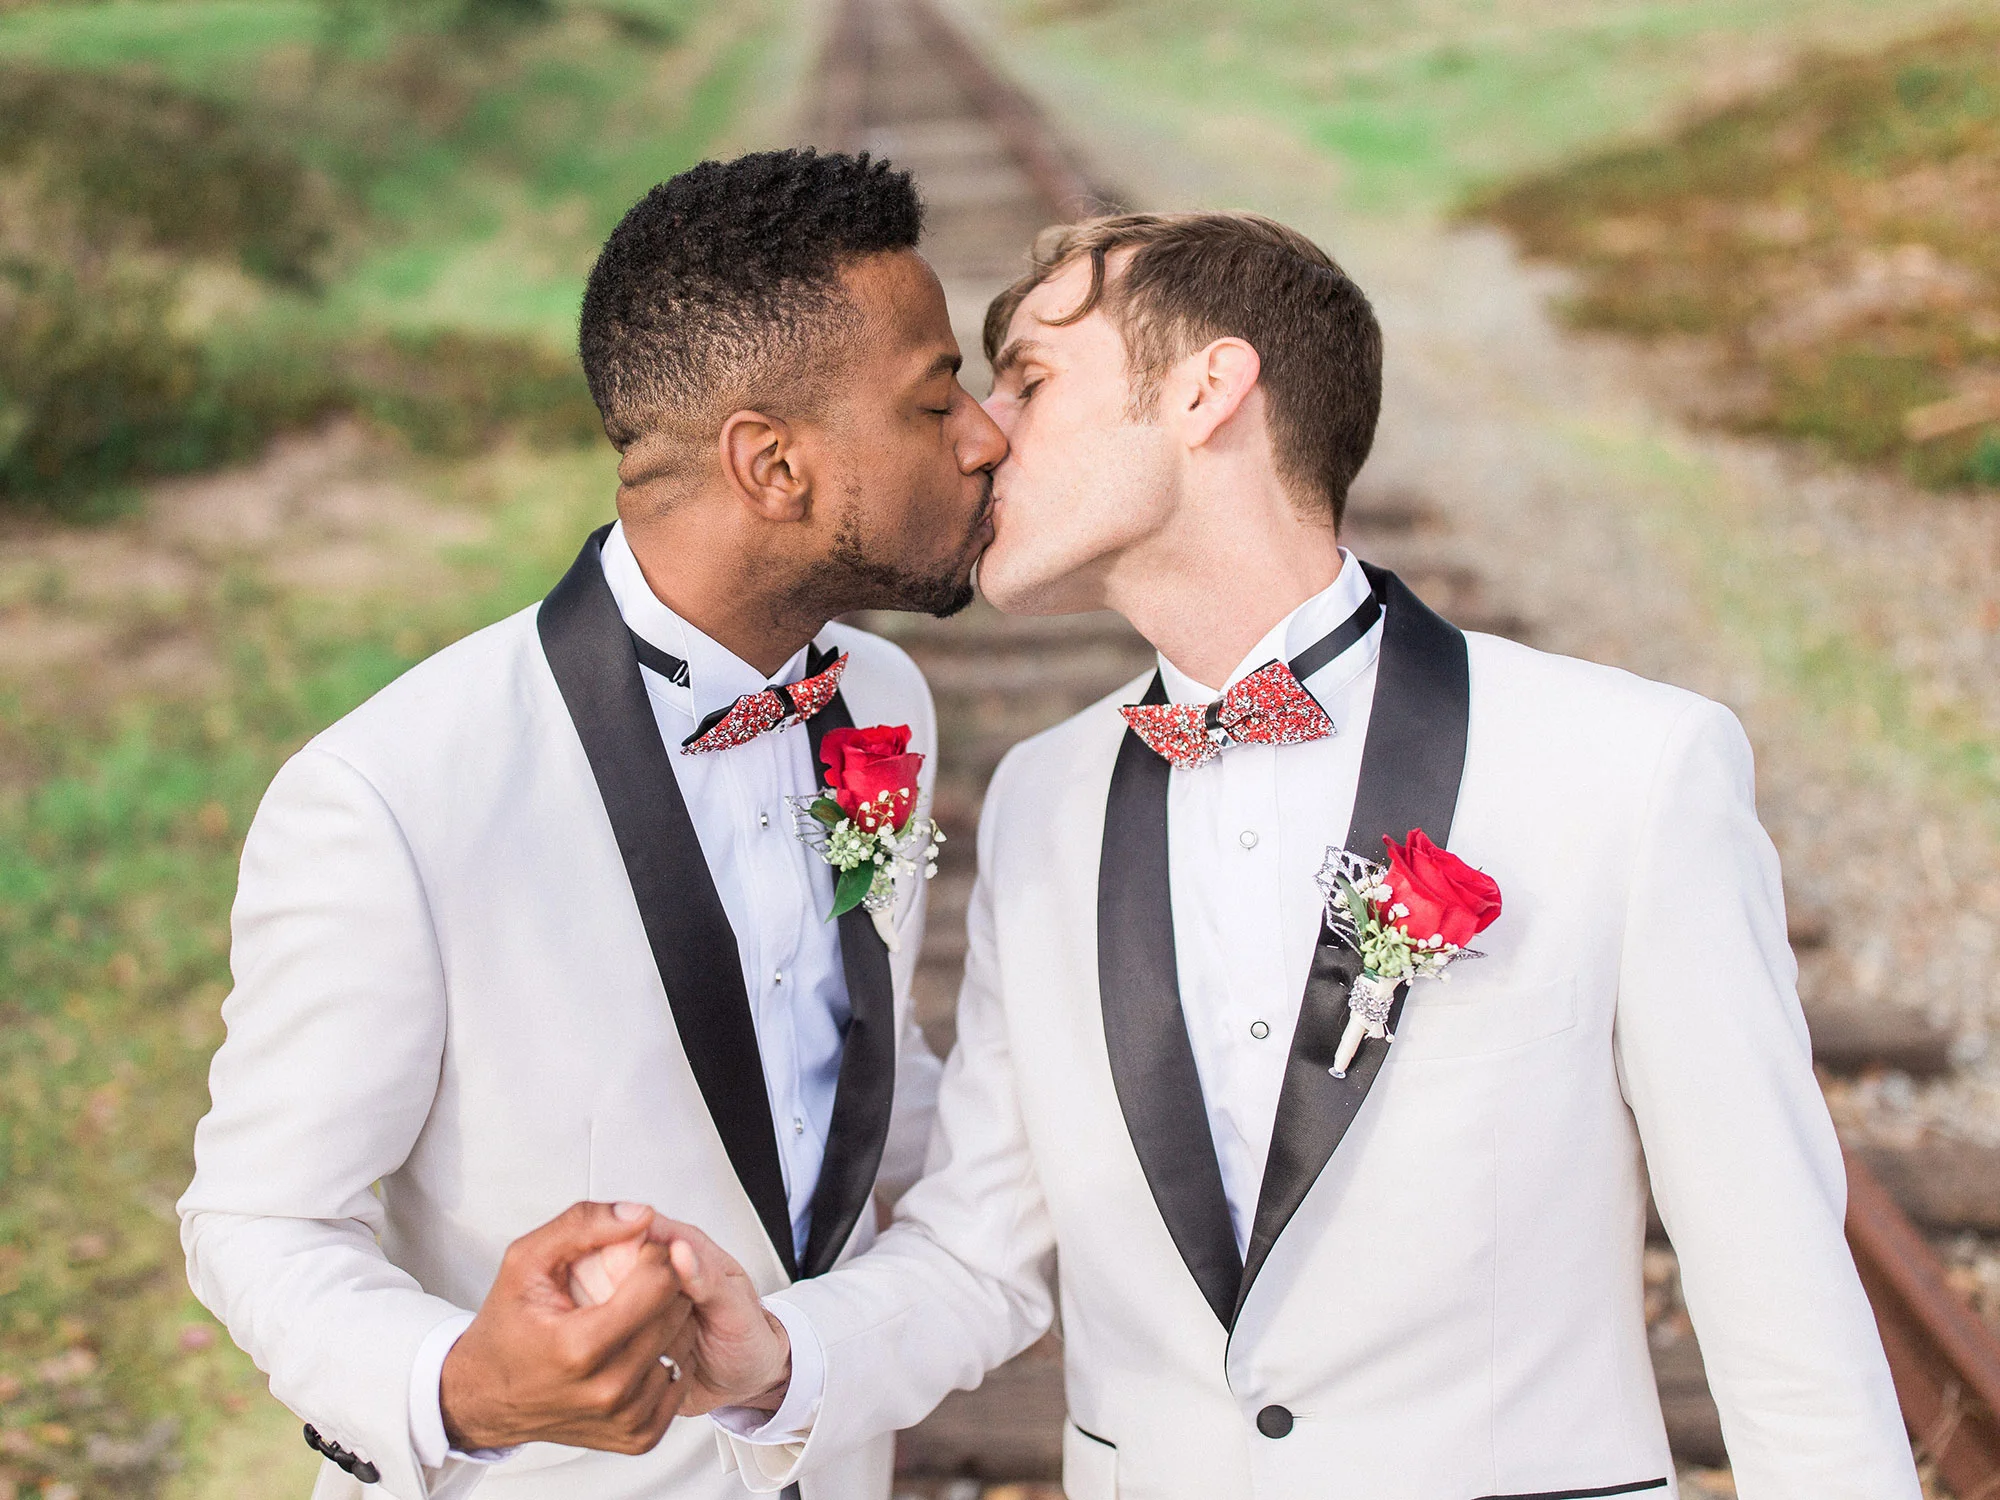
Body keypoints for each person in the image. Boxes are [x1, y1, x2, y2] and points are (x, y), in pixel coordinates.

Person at [660, 211, 1922, 1499]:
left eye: (1030, 379)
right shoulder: (1045, 803)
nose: (982, 437)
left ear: (1209, 389)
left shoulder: (1632, 771)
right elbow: (982, 1248)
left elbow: (1781, 1304)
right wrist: (776, 1359)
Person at [177, 149, 1006, 1500]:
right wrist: (464, 1388)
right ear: (774, 464)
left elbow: (853, 1074)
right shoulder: (390, 795)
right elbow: (260, 1220)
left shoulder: (883, 701)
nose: (984, 434)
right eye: (934, 397)